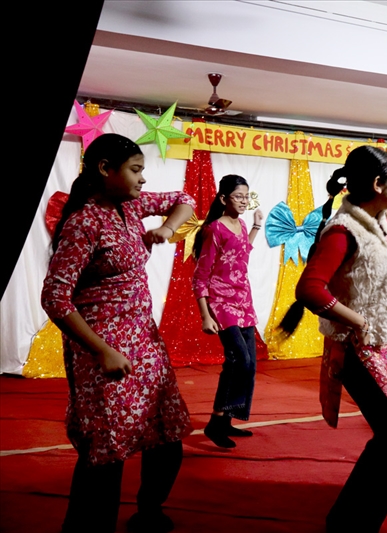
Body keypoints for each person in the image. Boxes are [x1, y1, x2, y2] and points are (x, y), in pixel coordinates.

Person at [41, 134, 195, 533]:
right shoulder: (84, 222)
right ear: (105, 169)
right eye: (136, 170)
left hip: (145, 343)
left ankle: (148, 512)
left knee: (167, 436)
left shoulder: (132, 205)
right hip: (104, 353)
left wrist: (167, 229)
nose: (143, 179)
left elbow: (185, 199)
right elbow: (55, 297)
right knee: (105, 453)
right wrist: (102, 352)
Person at [295, 146, 387, 533]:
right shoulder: (343, 230)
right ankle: (349, 522)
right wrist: (359, 321)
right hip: (360, 347)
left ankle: (384, 483)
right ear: (378, 184)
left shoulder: (374, 221)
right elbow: (309, 290)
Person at [192, 175, 264, 448]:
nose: (244, 201)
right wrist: (205, 315)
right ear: (223, 199)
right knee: (238, 360)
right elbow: (200, 276)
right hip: (222, 303)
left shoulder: (241, 225)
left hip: (243, 299)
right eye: (238, 196)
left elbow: (243, 252)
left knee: (250, 364)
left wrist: (256, 226)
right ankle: (216, 421)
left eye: (247, 196)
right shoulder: (214, 229)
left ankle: (227, 420)